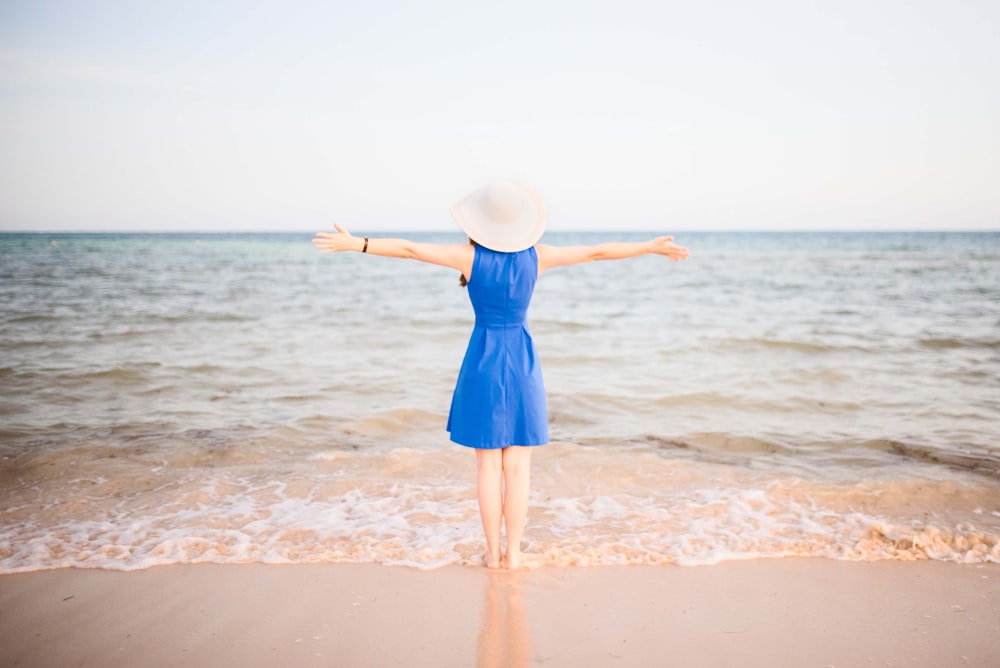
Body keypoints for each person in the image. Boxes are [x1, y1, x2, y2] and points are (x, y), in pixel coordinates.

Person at [313, 180, 690, 569]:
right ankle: (513, 556)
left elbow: (409, 249)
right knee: (519, 468)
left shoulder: (468, 258)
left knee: (488, 467)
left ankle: (492, 556)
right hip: (523, 360)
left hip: (482, 359)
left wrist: (357, 243)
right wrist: (649, 247)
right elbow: (596, 252)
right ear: (522, 224)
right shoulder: (537, 256)